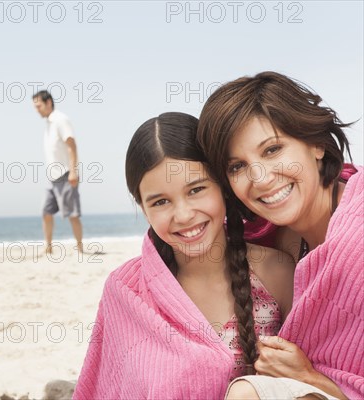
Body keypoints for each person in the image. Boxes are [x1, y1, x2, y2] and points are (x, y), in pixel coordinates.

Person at [73, 112, 295, 398]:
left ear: (222, 187)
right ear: (143, 208)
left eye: (196, 189)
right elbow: (109, 389)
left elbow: (304, 381)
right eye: (161, 201)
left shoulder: (276, 272)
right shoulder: (126, 290)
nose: (184, 215)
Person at [197, 71, 363, 399]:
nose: (259, 177)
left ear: (316, 143)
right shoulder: (269, 236)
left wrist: (312, 378)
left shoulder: (356, 238)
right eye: (237, 166)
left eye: (272, 150)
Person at [32, 90, 83, 254]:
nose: (36, 109)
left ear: (48, 103)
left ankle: (79, 247)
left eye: (38, 105)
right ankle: (48, 247)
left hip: (66, 174)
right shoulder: (48, 123)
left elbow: (72, 145)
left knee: (72, 213)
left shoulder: (61, 120)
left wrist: (73, 172)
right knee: (46, 212)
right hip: (51, 177)